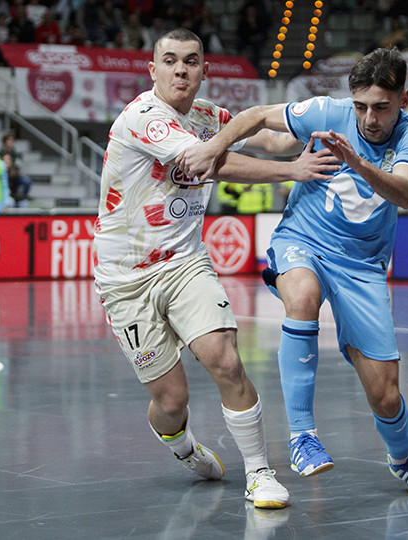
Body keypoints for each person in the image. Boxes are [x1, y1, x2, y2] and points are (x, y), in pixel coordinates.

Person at [177, 46, 408, 496]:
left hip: (362, 265)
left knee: (387, 393)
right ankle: (302, 436)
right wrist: (214, 145)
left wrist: (358, 162)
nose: (369, 119)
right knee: (300, 295)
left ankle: (402, 459)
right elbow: (260, 116)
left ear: (404, 99)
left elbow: (405, 194)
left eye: (381, 107)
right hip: (304, 238)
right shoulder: (327, 111)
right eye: (361, 106)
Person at [93, 28, 339, 510]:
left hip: (184, 263)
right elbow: (212, 162)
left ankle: (260, 472)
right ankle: (183, 448)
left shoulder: (207, 115)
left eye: (190, 61)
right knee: (171, 400)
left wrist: (322, 126)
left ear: (204, 69)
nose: (180, 69)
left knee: (225, 358)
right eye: (170, 61)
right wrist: (295, 170)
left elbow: (265, 135)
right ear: (153, 70)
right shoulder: (146, 117)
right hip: (125, 278)